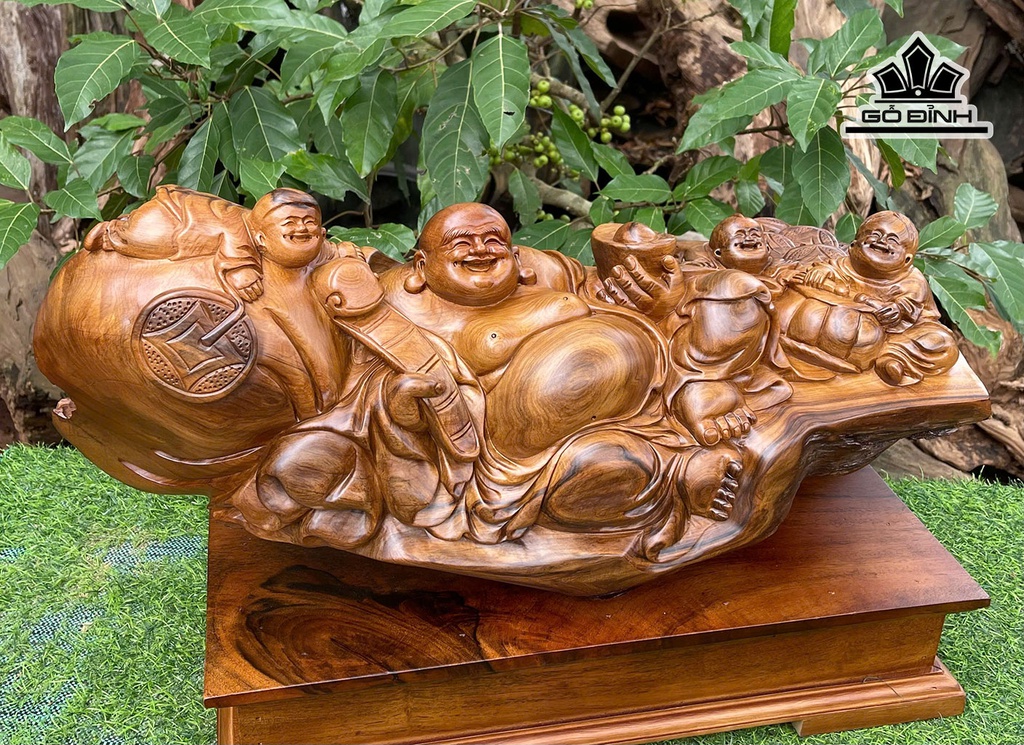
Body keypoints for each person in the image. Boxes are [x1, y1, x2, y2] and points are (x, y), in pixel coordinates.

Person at [776, 210, 958, 385]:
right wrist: (821, 272)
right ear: (853, 246)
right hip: (845, 332)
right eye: (875, 234)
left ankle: (892, 359)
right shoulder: (844, 265)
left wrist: (896, 310)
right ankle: (881, 356)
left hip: (899, 335)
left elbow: (909, 306)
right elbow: (827, 268)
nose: (881, 241)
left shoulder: (912, 280)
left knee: (944, 345)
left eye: (892, 240)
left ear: (907, 260)